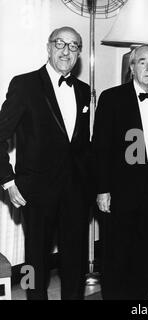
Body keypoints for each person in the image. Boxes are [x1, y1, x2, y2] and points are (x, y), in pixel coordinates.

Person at [0, 27, 91, 299]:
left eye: (73, 46)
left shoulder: (85, 91)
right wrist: (7, 181)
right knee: (35, 263)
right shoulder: (25, 84)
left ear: (78, 54)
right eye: (60, 44)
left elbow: (81, 145)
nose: (66, 51)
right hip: (36, 191)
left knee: (75, 261)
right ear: (48, 47)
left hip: (76, 191)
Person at [93, 44, 148, 300]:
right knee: (116, 256)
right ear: (131, 67)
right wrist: (102, 189)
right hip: (119, 188)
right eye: (142, 62)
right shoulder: (111, 97)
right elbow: (100, 147)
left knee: (145, 255)